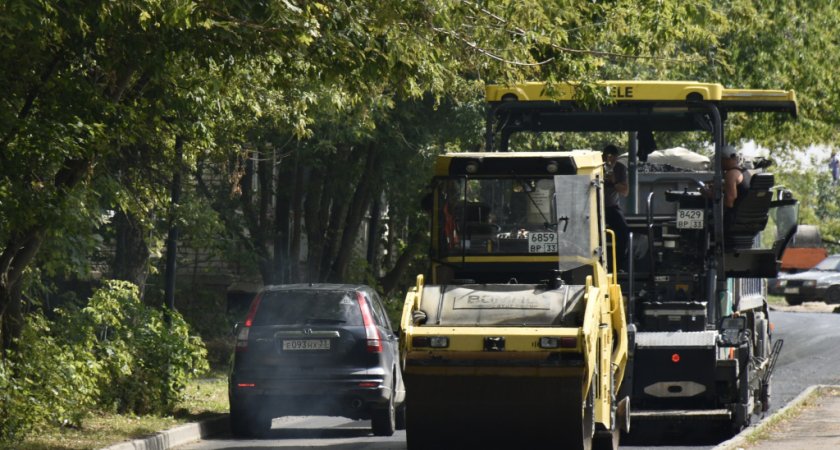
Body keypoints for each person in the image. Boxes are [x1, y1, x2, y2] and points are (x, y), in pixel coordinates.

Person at [602, 144, 629, 267]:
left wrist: (614, 181)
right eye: (607, 159)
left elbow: (625, 191)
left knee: (623, 232)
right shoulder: (597, 167)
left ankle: (619, 265)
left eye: (612, 159)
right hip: (595, 207)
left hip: (611, 207)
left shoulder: (620, 168)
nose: (609, 162)